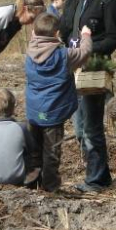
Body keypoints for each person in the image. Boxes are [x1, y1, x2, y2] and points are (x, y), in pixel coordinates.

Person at [59, 0, 116, 194]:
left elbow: (113, 38)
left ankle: (96, 179)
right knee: (78, 128)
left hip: (94, 69)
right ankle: (99, 174)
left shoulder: (109, 1)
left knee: (91, 127)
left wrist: (89, 51)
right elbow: (65, 30)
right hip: (71, 68)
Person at [24, 13, 93, 192]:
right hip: (53, 114)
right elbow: (84, 53)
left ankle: (32, 184)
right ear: (56, 34)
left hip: (33, 111)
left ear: (34, 33)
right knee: (51, 153)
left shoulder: (29, 52)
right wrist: (85, 35)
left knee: (34, 150)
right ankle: (51, 188)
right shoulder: (65, 55)